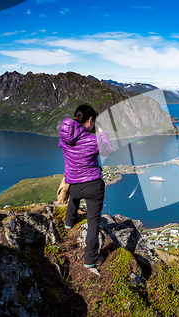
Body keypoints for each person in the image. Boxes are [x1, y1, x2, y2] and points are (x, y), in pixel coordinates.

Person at [59, 104, 114, 268]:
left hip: (74, 186)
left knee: (74, 196)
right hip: (93, 187)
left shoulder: (64, 139)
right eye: (93, 122)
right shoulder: (92, 140)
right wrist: (101, 131)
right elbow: (108, 150)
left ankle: (69, 221)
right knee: (93, 222)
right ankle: (90, 259)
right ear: (90, 120)